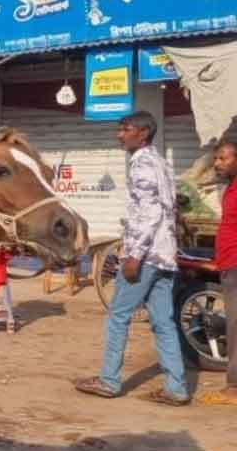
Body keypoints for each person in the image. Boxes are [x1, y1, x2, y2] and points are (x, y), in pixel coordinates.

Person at [75, 110, 189, 405]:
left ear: (142, 133)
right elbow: (169, 209)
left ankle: (109, 380)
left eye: (125, 129)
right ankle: (176, 388)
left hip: (147, 254)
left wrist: (134, 256)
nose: (119, 134)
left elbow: (148, 214)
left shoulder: (142, 165)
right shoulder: (161, 162)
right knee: (163, 322)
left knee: (118, 316)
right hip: (165, 254)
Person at [200, 140, 237, 405]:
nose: (217, 163)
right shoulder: (230, 188)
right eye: (217, 159)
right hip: (228, 263)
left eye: (223, 158)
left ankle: (234, 388)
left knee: (235, 326)